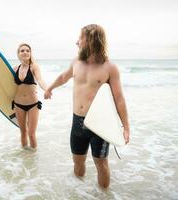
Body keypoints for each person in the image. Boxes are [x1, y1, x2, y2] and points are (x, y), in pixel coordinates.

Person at [44, 24, 130, 188]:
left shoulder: (110, 67)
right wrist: (50, 88)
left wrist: (126, 127)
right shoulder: (76, 62)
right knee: (77, 161)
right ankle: (79, 193)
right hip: (77, 122)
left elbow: (119, 99)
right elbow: (64, 77)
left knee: (101, 165)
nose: (77, 42)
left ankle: (104, 196)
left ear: (91, 40)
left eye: (80, 38)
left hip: (99, 125)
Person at [12, 43, 48, 150]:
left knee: (31, 134)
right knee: (23, 132)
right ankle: (25, 159)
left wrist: (47, 89)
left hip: (33, 104)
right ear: (18, 54)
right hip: (18, 104)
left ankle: (33, 159)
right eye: (22, 50)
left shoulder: (34, 67)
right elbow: (3, 84)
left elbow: (40, 80)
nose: (25, 52)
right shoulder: (15, 69)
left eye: (28, 50)